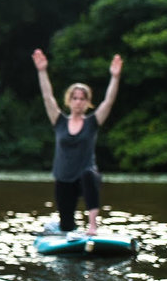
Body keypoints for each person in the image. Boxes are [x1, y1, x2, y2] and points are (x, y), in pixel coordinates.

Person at [32, 48, 122, 236]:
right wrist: (42, 71)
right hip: (63, 177)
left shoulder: (92, 123)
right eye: (75, 98)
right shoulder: (59, 121)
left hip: (85, 175)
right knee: (66, 226)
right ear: (69, 100)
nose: (78, 102)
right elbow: (47, 97)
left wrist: (115, 77)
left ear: (87, 102)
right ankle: (64, 228)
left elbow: (109, 101)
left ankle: (92, 226)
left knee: (89, 175)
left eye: (82, 99)